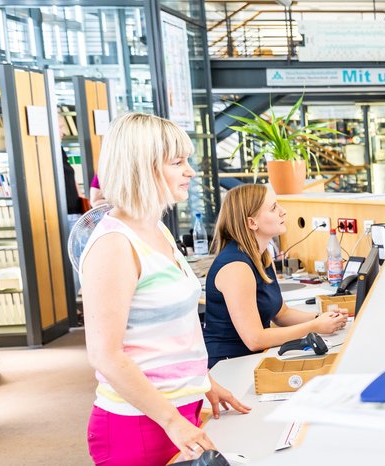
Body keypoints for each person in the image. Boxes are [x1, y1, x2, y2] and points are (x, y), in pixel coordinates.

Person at [79, 113, 250, 465]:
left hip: (179, 410)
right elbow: (105, 355)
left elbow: (173, 332)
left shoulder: (156, 229)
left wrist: (203, 382)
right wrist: (172, 420)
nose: (190, 171)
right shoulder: (113, 244)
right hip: (139, 422)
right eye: (177, 162)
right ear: (141, 168)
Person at [202, 184, 348, 368]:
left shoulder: (261, 256)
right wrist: (315, 327)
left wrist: (323, 318)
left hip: (251, 359)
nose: (283, 212)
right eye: (273, 208)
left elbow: (282, 314)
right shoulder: (236, 267)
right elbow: (254, 339)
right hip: (228, 366)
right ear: (251, 223)